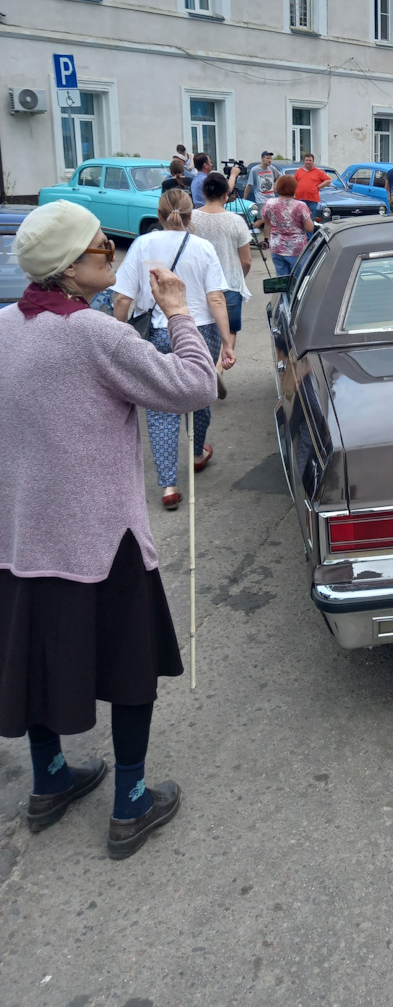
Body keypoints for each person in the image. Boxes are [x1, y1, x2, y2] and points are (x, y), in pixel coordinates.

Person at [1, 200, 216, 859]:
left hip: (23, 532)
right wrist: (179, 310)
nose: (113, 252)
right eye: (102, 246)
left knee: (37, 656)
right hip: (103, 534)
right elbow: (195, 385)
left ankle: (51, 780)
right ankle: (129, 802)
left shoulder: (5, 325)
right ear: (70, 267)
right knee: (130, 667)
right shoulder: (97, 336)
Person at [112, 190, 235, 511]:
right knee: (199, 389)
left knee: (160, 404)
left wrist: (117, 334)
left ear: (159, 213)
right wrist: (227, 342)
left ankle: (168, 485)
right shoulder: (203, 247)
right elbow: (217, 298)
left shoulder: (141, 245)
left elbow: (123, 298)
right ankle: (196, 454)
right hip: (201, 330)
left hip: (158, 331)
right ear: (190, 215)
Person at [191, 171, 252, 366]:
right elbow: (247, 260)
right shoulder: (236, 221)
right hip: (230, 283)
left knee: (200, 328)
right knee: (230, 329)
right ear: (227, 193)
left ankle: (203, 367)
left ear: (203, 191)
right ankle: (219, 366)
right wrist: (239, 277)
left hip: (199, 284)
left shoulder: (190, 219)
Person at [261, 174, 314, 275]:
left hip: (276, 246)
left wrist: (266, 238)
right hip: (296, 249)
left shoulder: (269, 203)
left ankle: (283, 292)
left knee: (281, 279)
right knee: (296, 279)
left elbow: (265, 221)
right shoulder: (300, 205)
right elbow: (309, 228)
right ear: (294, 188)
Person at [294, 153, 331, 219]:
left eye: (310, 160)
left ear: (313, 162)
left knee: (310, 219)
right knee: (299, 218)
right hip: (299, 199)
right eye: (306, 160)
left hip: (312, 200)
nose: (308, 162)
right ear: (304, 161)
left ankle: (309, 230)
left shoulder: (318, 172)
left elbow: (328, 180)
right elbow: (293, 183)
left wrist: (318, 187)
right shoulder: (299, 171)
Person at [244, 151, 279, 216]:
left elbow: (280, 177)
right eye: (267, 158)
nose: (269, 160)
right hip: (261, 199)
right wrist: (244, 199)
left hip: (271, 199)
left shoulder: (272, 168)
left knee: (271, 219)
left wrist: (275, 185)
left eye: (270, 158)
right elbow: (249, 185)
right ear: (262, 158)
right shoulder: (255, 170)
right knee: (262, 219)